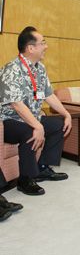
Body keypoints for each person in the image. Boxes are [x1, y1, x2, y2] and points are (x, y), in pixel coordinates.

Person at [0, 26, 71, 196]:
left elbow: (48, 95)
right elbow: (16, 104)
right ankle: (25, 179)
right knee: (31, 130)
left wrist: (66, 114)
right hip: (9, 121)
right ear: (30, 48)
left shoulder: (40, 68)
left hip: (31, 117)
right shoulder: (12, 70)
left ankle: (42, 167)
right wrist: (37, 126)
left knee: (58, 124)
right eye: (43, 43)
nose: (46, 46)